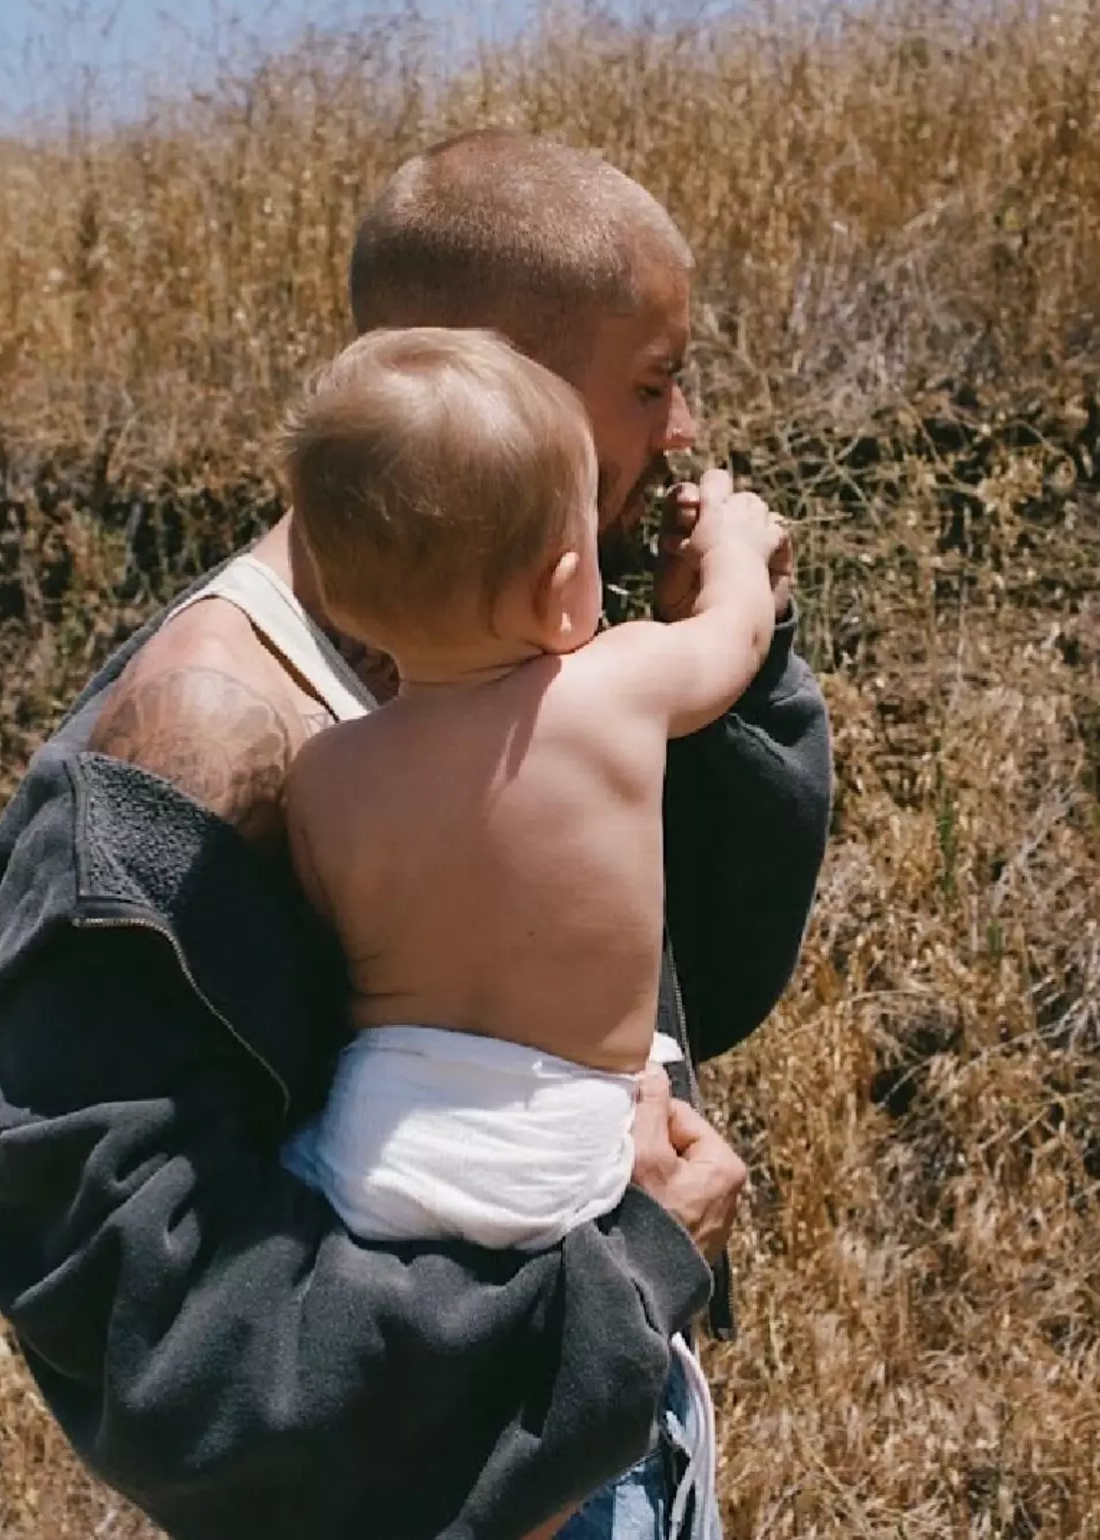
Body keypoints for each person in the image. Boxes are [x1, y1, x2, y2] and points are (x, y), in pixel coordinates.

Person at [0, 130, 833, 1540]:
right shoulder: (204, 738)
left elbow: (703, 968)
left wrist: (703, 669)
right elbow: (162, 1348)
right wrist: (620, 1275)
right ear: (493, 383)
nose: (687, 435)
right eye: (656, 383)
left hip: (596, 1446)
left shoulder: (493, 654)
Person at [275, 325, 790, 1540]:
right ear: (569, 585)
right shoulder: (615, 687)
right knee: (593, 1428)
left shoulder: (321, 775)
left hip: (374, 1167)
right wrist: (735, 548)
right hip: (575, 1160)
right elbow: (737, 639)